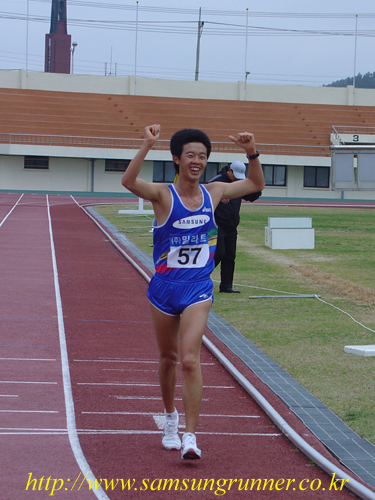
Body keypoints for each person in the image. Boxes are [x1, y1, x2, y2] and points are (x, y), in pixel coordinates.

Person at [121, 124, 264, 460]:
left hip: (198, 288)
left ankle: (190, 435)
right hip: (163, 288)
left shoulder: (214, 192)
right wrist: (146, 144)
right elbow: (128, 182)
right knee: (168, 359)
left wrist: (252, 150)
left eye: (202, 156)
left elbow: (256, 184)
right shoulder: (162, 195)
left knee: (189, 360)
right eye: (191, 155)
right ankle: (170, 419)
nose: (197, 161)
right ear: (177, 159)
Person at [207, 162, 262, 293]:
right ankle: (200, 278)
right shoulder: (216, 181)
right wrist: (218, 196)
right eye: (236, 176)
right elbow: (203, 194)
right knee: (219, 253)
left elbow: (252, 195)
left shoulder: (240, 184)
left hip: (231, 225)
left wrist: (257, 187)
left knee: (230, 256)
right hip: (216, 224)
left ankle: (226, 286)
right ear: (229, 171)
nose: (238, 180)